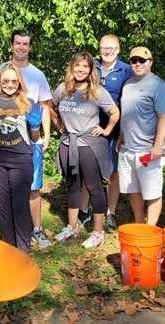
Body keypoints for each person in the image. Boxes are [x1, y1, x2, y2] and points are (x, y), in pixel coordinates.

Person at [0, 29, 53, 248]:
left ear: (30, 47)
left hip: (26, 146)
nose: (21, 47)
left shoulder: (37, 75)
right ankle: (9, 247)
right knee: (5, 202)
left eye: (25, 43)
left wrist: (44, 134)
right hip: (0, 150)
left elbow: (45, 108)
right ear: (12, 45)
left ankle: (33, 234)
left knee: (31, 191)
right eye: (17, 43)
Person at [52, 52, 119, 249]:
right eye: (77, 66)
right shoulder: (62, 89)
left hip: (89, 145)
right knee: (72, 186)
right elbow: (50, 106)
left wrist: (106, 130)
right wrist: (58, 125)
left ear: (91, 70)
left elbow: (114, 112)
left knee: (94, 187)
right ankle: (71, 227)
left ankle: (98, 233)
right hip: (68, 144)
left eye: (85, 66)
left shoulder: (97, 91)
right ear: (72, 68)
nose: (81, 70)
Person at [0, 63, 40, 254]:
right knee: (3, 206)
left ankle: (23, 251)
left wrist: (35, 126)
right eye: (6, 81)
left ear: (19, 83)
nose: (10, 84)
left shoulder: (27, 103)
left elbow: (34, 138)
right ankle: (8, 250)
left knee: (20, 206)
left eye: (14, 81)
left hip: (21, 160)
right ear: (0, 82)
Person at [78, 34, 133, 232]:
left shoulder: (126, 70)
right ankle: (83, 211)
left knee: (113, 173)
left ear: (118, 49)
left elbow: (130, 101)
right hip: (90, 127)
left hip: (115, 129)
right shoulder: (92, 66)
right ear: (100, 48)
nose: (107, 51)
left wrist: (123, 132)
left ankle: (111, 213)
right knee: (88, 170)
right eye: (104, 47)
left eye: (112, 48)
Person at [118, 47, 165, 225]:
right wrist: (120, 137)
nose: (138, 64)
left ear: (150, 62)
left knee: (153, 192)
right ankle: (139, 223)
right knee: (133, 190)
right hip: (127, 149)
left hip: (148, 151)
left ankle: (150, 230)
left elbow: (164, 117)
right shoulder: (127, 84)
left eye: (142, 60)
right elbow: (125, 114)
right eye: (134, 61)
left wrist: (158, 145)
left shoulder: (159, 85)